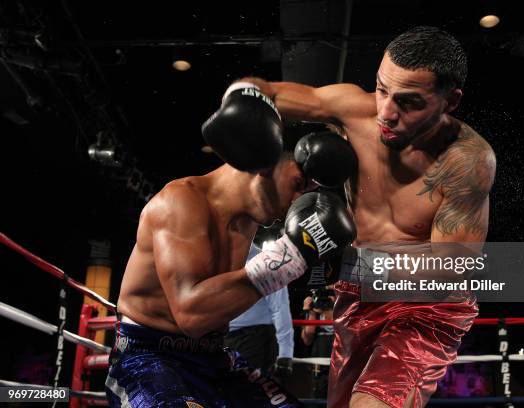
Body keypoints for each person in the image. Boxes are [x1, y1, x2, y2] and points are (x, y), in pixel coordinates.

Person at [231, 26, 496, 408]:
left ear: (449, 101)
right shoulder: (356, 110)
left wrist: (345, 261)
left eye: (408, 102)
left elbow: (450, 266)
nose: (385, 112)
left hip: (425, 307)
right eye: (382, 89)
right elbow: (262, 93)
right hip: (356, 298)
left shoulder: (465, 162)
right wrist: (237, 108)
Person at [105, 85, 357, 407]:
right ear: (264, 160)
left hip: (215, 357)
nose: (299, 201)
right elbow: (192, 315)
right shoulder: (181, 202)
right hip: (150, 358)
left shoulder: (250, 217)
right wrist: (291, 257)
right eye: (298, 185)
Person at [225, 244, 295, 377]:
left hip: (255, 339)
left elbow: (280, 308)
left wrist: (285, 354)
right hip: (223, 338)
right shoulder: (219, 259)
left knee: (247, 392)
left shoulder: (267, 262)